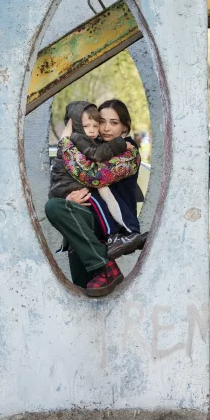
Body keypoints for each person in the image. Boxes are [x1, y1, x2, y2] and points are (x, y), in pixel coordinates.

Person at [45, 100, 143, 296]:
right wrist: (69, 202)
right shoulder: (89, 146)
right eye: (101, 122)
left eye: (114, 123)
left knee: (53, 207)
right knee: (83, 296)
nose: (106, 128)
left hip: (109, 227)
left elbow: (94, 176)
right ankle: (104, 266)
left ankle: (105, 267)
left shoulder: (128, 152)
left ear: (125, 126)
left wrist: (65, 142)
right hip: (83, 234)